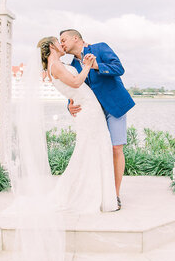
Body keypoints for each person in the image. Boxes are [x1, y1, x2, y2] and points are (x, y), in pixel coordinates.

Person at [37, 36, 119, 213]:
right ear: (52, 46)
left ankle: (99, 194)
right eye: (59, 42)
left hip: (87, 109)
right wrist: (88, 67)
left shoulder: (55, 65)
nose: (62, 44)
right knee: (91, 150)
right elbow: (75, 83)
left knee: (91, 150)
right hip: (88, 110)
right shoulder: (56, 65)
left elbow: (71, 87)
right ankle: (89, 195)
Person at [59, 29, 135, 209]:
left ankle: (115, 194)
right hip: (93, 111)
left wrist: (95, 66)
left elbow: (119, 68)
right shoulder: (71, 64)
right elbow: (74, 86)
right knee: (99, 149)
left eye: (63, 40)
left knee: (116, 148)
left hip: (115, 106)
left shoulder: (100, 48)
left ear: (75, 38)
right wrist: (69, 105)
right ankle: (101, 191)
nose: (61, 44)